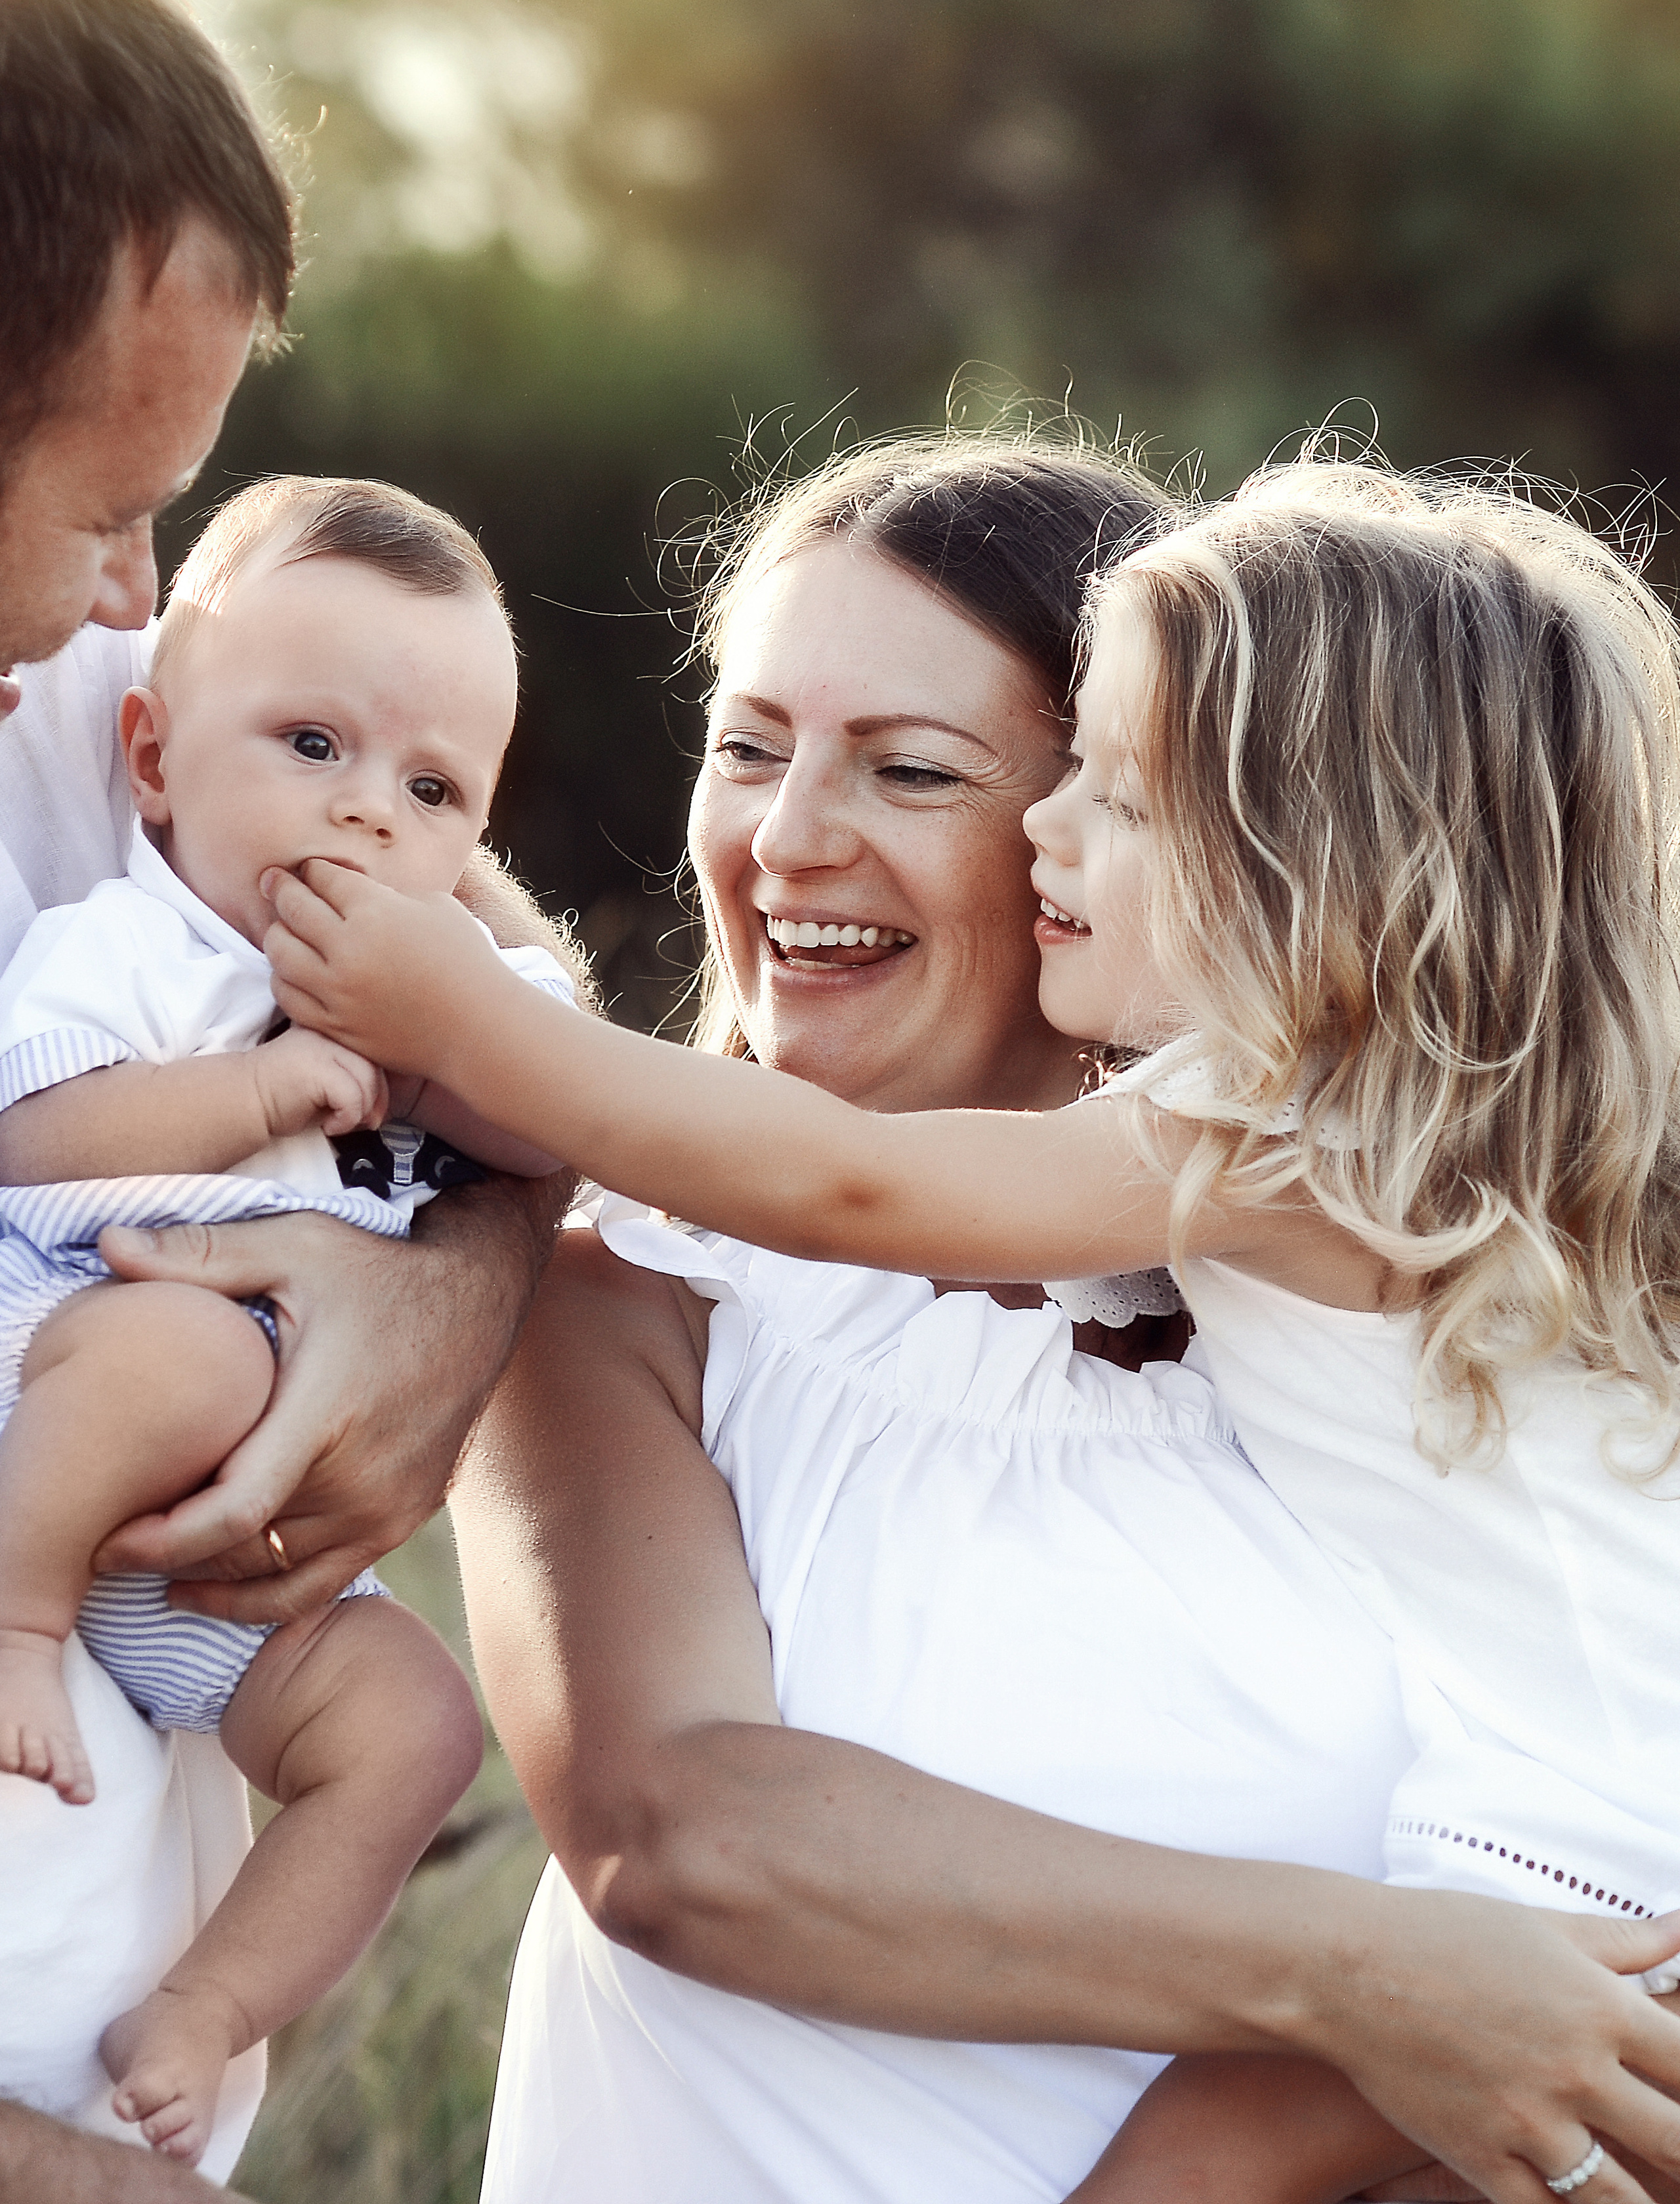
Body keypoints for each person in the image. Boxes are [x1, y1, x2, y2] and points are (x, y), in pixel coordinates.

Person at [266, 440, 1680, 2204]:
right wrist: (1366, 1979)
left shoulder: (1362, 1258)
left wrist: (471, 1017)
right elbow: (681, 1838)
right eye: (750, 744)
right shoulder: (630, 1291)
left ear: (1289, 842)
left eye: (922, 770)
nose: (786, 841)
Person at [0, 0, 579, 2199]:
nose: (136, 591)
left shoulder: (84, 710)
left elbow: (496, 1001)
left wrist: (437, 1281)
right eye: (106, 502)